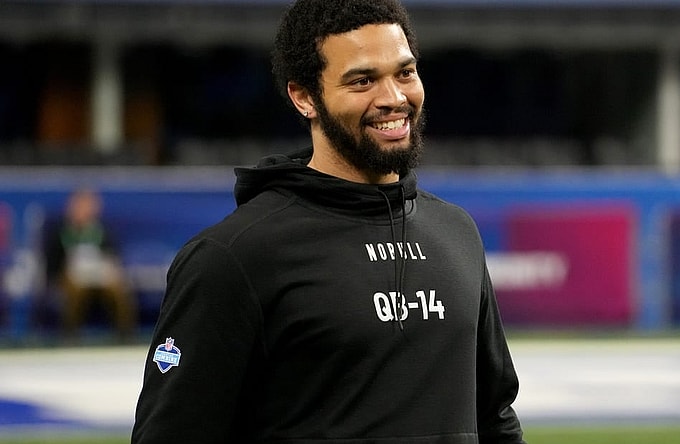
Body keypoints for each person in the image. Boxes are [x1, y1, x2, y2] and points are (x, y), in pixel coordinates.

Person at [132, 0, 525, 442]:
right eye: (362, 80)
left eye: (404, 72)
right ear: (304, 98)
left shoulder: (456, 232)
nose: (393, 98)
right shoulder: (235, 256)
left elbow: (494, 417)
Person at [45, 188, 135, 342]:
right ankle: (70, 335)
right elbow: (52, 261)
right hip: (70, 276)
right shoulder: (60, 231)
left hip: (99, 274)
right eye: (80, 206)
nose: (83, 210)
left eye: (88, 206)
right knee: (76, 291)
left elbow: (113, 256)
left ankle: (124, 334)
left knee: (117, 288)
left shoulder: (103, 231)